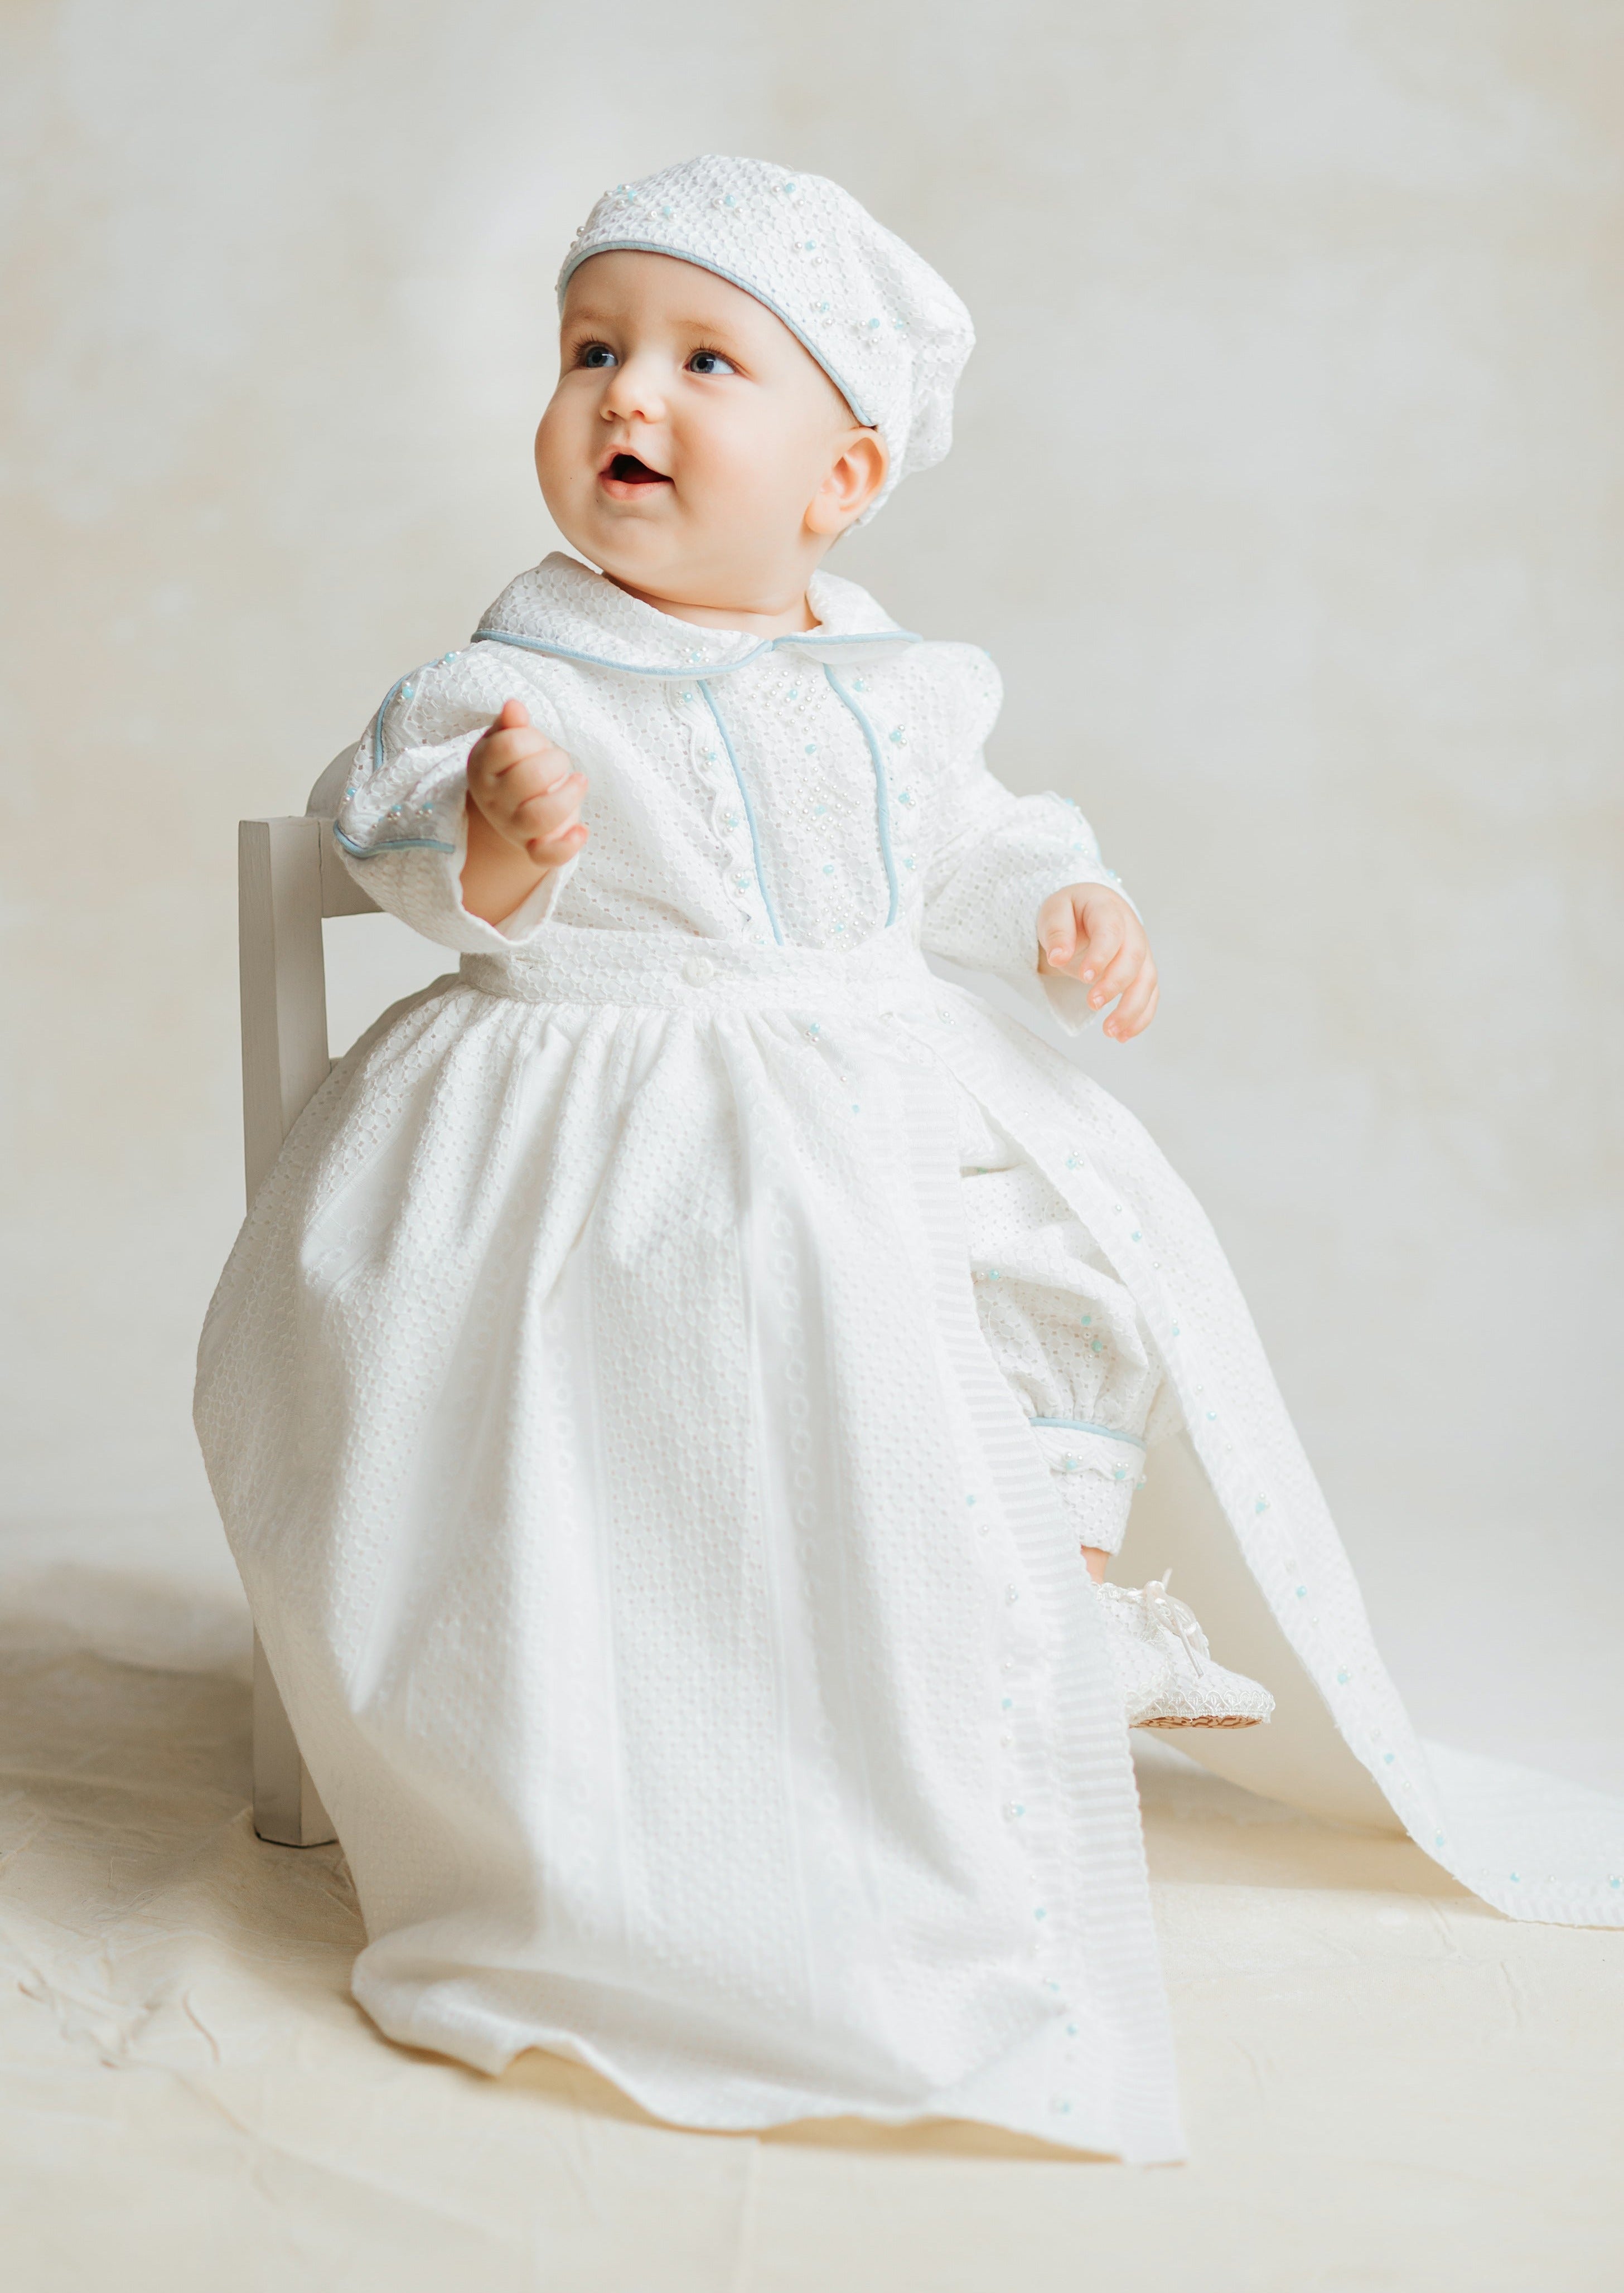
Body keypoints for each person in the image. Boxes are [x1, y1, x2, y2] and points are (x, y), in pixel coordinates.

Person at [196, 155, 1621, 2165]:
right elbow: (393, 818)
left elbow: (982, 836)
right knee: (721, 1320)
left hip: (869, 1069)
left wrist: (1065, 903)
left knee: (1062, 1249)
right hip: (601, 1113)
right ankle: (715, 1697)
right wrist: (492, 831)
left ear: (840, 482)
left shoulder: (899, 683)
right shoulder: (514, 670)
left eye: (706, 360)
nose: (630, 395)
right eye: (592, 349)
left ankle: (1056, 1583)